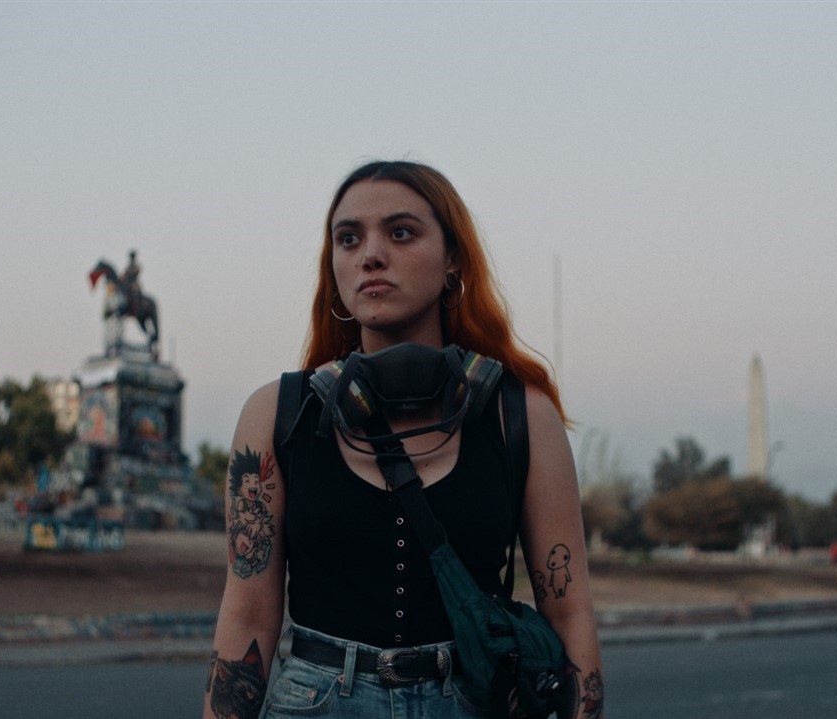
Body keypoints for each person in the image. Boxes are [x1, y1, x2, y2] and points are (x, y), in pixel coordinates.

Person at [203, 161, 604, 719]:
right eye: (349, 238)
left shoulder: (521, 415)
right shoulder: (277, 414)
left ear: (452, 263)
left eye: (401, 232)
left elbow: (568, 612)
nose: (370, 254)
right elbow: (247, 616)